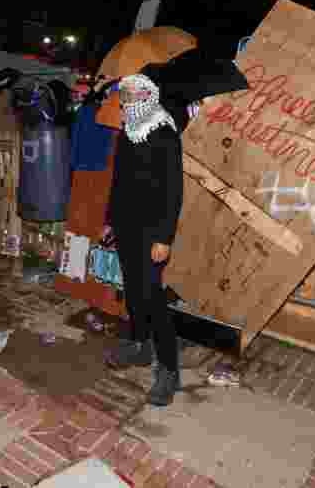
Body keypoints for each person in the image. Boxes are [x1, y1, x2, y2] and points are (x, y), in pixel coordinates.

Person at [104, 72, 184, 407]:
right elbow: (118, 179)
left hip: (152, 231)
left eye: (136, 94)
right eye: (126, 95)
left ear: (149, 95)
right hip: (125, 225)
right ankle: (139, 344)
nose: (129, 100)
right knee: (133, 290)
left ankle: (169, 370)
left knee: (152, 297)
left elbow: (173, 190)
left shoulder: (164, 132)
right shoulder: (128, 132)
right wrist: (109, 220)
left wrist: (164, 237)